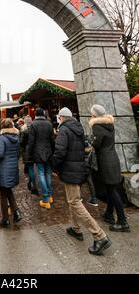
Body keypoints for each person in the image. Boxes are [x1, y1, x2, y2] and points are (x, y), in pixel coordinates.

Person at [52, 107, 111, 256]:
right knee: (73, 200)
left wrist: (53, 166)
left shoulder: (64, 130)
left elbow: (60, 151)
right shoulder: (78, 128)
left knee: (75, 202)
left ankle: (99, 235)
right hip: (78, 169)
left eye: (59, 117)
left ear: (61, 118)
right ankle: (76, 228)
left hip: (69, 170)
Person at [89, 104, 130, 232]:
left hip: (105, 161)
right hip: (113, 158)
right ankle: (109, 214)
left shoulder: (96, 126)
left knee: (112, 190)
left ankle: (122, 221)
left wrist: (91, 142)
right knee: (110, 188)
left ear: (94, 114)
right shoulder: (109, 124)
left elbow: (97, 143)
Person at [0, 118, 22, 228]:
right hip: (13, 167)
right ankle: (16, 212)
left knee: (3, 193)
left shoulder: (2, 138)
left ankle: (5, 219)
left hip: (4, 168)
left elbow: (0, 154)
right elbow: (19, 153)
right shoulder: (16, 137)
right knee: (8, 189)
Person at [28, 108, 54, 208]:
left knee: (41, 174)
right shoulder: (49, 124)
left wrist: (29, 153)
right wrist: (53, 150)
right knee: (47, 174)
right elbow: (52, 140)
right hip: (48, 152)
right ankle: (50, 195)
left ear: (35, 114)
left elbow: (31, 141)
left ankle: (45, 198)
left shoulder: (33, 124)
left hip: (38, 153)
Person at [20, 115, 37, 194]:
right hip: (35, 150)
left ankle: (33, 184)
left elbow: (22, 142)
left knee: (30, 168)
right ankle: (31, 182)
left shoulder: (24, 129)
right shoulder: (35, 128)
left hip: (27, 151)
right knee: (33, 168)